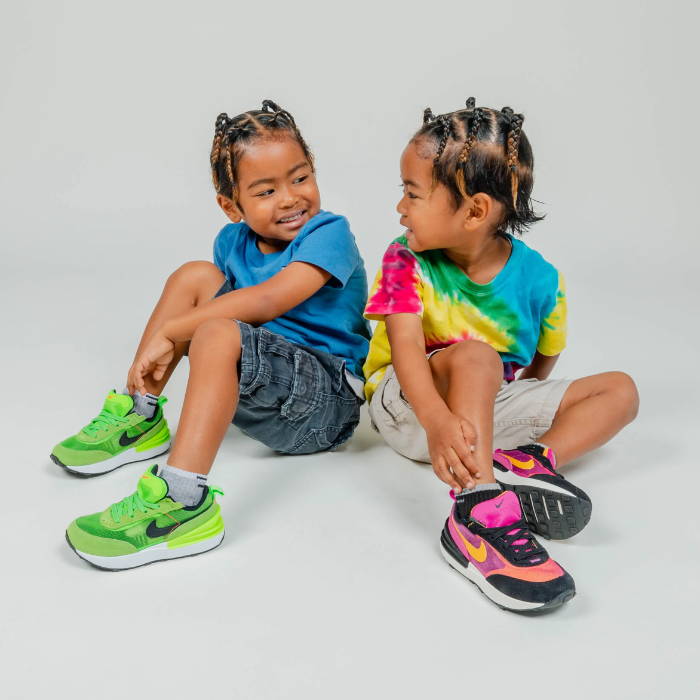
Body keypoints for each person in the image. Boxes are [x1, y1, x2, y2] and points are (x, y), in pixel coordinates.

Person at [53, 100, 371, 570]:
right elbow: (229, 311)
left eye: (300, 178)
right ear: (231, 206)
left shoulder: (329, 234)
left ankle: (183, 503)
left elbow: (267, 302)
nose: (290, 198)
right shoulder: (231, 244)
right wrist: (182, 329)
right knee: (193, 276)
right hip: (268, 388)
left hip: (325, 404)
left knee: (218, 331)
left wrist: (175, 332)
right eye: (265, 191)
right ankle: (140, 414)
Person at [363, 98, 639, 612]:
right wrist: (440, 420)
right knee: (475, 357)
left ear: (474, 211)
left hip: (477, 424)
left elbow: (540, 364)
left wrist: (494, 409)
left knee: (620, 390)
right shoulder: (404, 259)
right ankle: (476, 513)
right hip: (409, 408)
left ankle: (530, 462)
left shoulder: (540, 278)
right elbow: (403, 353)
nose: (400, 209)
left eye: (412, 194)